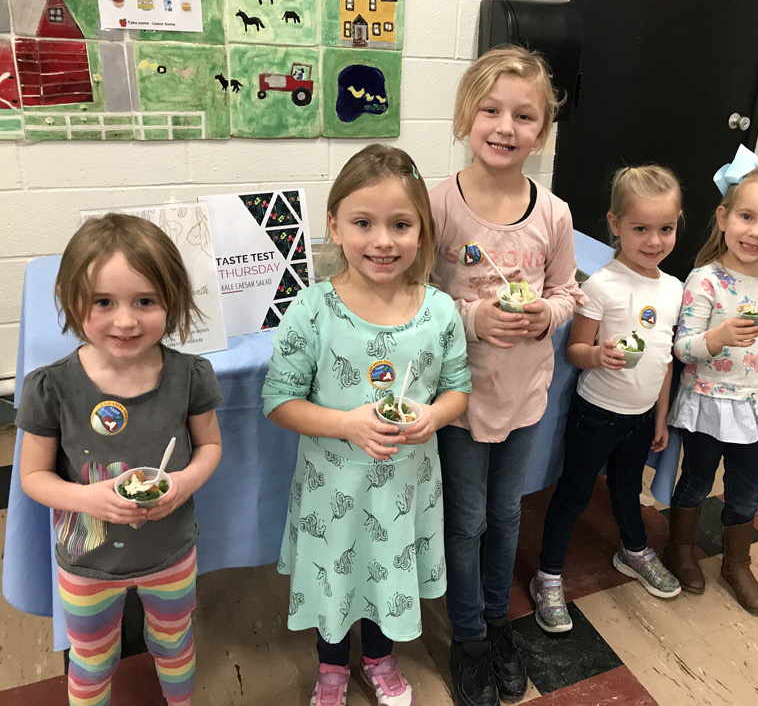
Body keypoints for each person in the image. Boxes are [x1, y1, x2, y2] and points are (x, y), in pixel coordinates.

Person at [262, 144, 472, 706]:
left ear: (423, 232)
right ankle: (331, 668)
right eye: (363, 223)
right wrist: (345, 423)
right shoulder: (311, 310)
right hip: (334, 488)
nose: (383, 240)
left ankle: (380, 659)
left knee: (387, 575)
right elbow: (279, 401)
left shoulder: (441, 310)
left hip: (406, 486)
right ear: (334, 225)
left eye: (401, 224)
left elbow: (459, 390)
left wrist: (435, 414)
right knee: (335, 574)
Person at [430, 45, 585, 706]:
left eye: (524, 116)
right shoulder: (437, 204)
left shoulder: (552, 213)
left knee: (505, 515)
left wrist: (546, 313)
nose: (505, 126)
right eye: (491, 109)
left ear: (542, 132)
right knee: (464, 521)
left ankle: (498, 621)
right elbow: (413, 298)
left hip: (524, 395)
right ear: (467, 115)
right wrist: (472, 318)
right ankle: (467, 635)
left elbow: (569, 291)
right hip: (461, 399)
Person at [17, 213, 223, 706]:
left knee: (175, 644)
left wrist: (186, 482)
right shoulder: (52, 387)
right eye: (103, 302)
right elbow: (32, 476)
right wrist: (87, 498)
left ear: (171, 301)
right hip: (87, 563)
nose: (126, 320)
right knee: (91, 659)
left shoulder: (190, 375)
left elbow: (210, 447)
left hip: (169, 554)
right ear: (72, 301)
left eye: (145, 301)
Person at [530, 165, 685, 633]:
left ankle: (633, 550)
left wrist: (660, 419)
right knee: (574, 494)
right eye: (640, 228)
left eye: (666, 228)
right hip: (596, 415)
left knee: (626, 488)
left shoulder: (675, 289)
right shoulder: (601, 285)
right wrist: (598, 355)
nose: (654, 241)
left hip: (641, 420)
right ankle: (548, 576)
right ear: (615, 225)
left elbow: (663, 362)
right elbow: (575, 350)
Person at [663, 146, 758, 615]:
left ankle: (736, 562)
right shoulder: (705, 280)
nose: (756, 231)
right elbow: (682, 349)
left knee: (747, 490)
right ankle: (679, 549)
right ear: (723, 217)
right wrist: (718, 338)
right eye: (746, 216)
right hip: (708, 400)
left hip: (757, 408)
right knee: (696, 481)